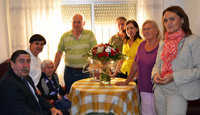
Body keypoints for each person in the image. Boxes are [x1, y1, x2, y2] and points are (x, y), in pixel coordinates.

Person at [152, 6, 200, 115]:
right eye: (165, 20)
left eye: (172, 19)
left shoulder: (194, 40)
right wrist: (155, 75)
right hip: (159, 90)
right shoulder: (163, 42)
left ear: (182, 20)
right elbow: (157, 64)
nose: (168, 23)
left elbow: (198, 70)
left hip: (178, 91)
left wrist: (174, 76)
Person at [116, 20, 161, 115]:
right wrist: (126, 81)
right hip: (144, 87)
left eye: (149, 28)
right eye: (144, 29)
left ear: (156, 31)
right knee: (146, 112)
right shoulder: (142, 45)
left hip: (159, 88)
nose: (146, 31)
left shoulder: (162, 46)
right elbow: (135, 64)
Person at [0, 50, 62, 115]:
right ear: (12, 64)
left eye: (28, 61)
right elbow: (21, 111)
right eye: (22, 61)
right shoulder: (8, 84)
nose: (26, 65)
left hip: (37, 110)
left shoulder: (26, 77)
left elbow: (37, 97)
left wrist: (51, 108)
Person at [54, 14, 97, 94]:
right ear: (71, 23)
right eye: (74, 22)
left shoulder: (90, 34)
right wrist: (54, 69)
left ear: (83, 23)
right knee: (70, 94)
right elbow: (59, 53)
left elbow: (95, 52)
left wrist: (97, 69)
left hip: (85, 71)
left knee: (86, 94)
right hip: (69, 72)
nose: (76, 24)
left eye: (79, 22)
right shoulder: (65, 36)